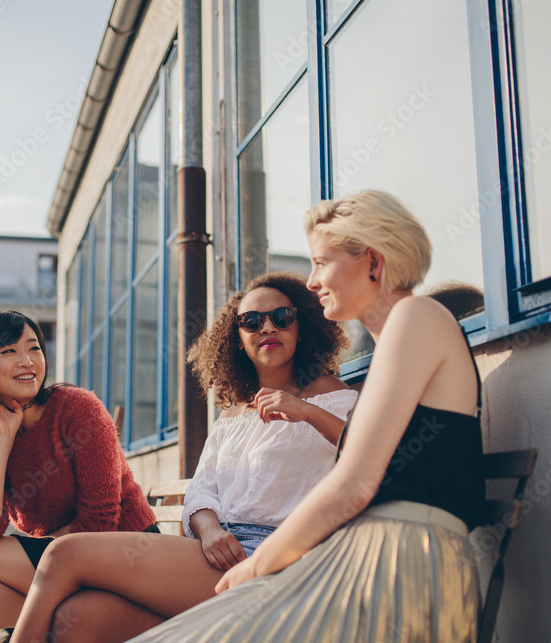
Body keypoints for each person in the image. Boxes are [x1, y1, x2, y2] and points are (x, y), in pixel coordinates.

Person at [128, 190, 485, 642]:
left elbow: (353, 485)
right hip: (363, 554)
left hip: (400, 561)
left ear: (373, 263)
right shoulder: (396, 343)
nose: (312, 282)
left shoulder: (417, 316)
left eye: (321, 262)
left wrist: (257, 565)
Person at [8, 272, 358, 642]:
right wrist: (209, 532)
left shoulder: (329, 396)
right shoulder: (231, 416)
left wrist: (306, 411)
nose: (266, 327)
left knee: (63, 555)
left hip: (279, 561)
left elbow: (369, 459)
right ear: (237, 340)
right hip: (215, 553)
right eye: (251, 321)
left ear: (300, 327)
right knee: (78, 618)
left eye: (282, 317)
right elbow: (202, 491)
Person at [0, 311, 156, 643]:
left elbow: (99, 524)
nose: (27, 361)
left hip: (123, 558)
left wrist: (34, 546)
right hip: (58, 565)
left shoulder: (77, 410)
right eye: (9, 351)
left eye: (33, 349)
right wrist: (3, 440)